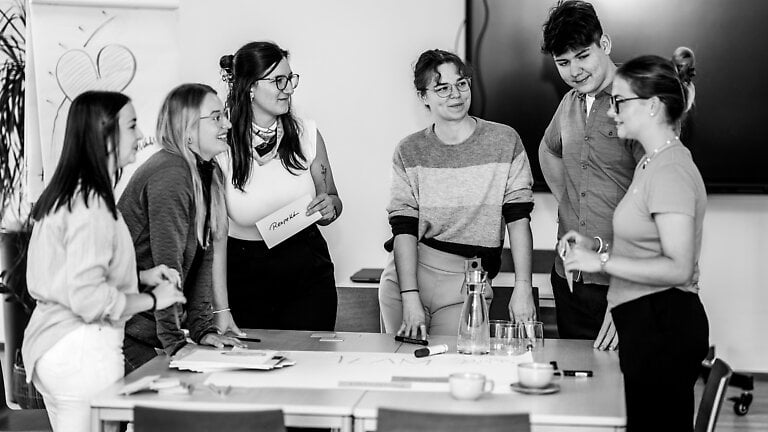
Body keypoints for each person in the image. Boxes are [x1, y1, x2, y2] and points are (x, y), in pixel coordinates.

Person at [22, 91, 186, 431]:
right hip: (81, 350)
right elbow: (88, 299)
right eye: (132, 125)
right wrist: (155, 300)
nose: (141, 135)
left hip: (56, 347)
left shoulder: (69, 195)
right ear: (105, 134)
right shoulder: (91, 206)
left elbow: (72, 276)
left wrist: (142, 276)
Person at [561, 53, 708, 432]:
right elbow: (646, 248)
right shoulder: (649, 163)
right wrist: (596, 248)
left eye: (620, 101)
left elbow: (678, 267)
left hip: (664, 323)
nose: (612, 112)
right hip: (645, 321)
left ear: (653, 106)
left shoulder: (671, 169)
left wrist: (601, 264)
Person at [379, 49, 535, 338]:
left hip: (469, 282)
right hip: (409, 278)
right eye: (442, 88)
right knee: (401, 364)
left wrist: (522, 287)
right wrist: (409, 296)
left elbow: (518, 218)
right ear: (423, 97)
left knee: (458, 362)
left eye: (461, 83)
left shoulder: (504, 141)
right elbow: (403, 227)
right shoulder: (409, 150)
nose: (456, 94)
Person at [538, 0, 645, 347]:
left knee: (627, 379)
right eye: (563, 62)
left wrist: (629, 289)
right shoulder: (569, 102)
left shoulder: (640, 101)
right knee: (576, 376)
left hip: (623, 283)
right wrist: (568, 200)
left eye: (583, 56)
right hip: (570, 279)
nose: (575, 71)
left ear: (605, 44)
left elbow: (660, 206)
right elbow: (548, 150)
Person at [119, 83, 244, 374]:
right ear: (187, 130)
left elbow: (203, 258)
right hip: (122, 330)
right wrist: (175, 343)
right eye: (216, 117)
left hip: (146, 329)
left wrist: (202, 330)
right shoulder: (171, 173)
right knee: (176, 395)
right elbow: (168, 266)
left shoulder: (207, 171)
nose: (227, 124)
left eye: (224, 115)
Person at [217, 41, 341, 331]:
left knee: (311, 355)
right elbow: (214, 235)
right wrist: (219, 308)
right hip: (243, 270)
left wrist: (329, 207)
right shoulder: (222, 143)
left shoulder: (306, 133)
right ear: (250, 86)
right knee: (253, 356)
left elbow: (333, 199)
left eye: (290, 79)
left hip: (306, 266)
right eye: (278, 81)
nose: (289, 89)